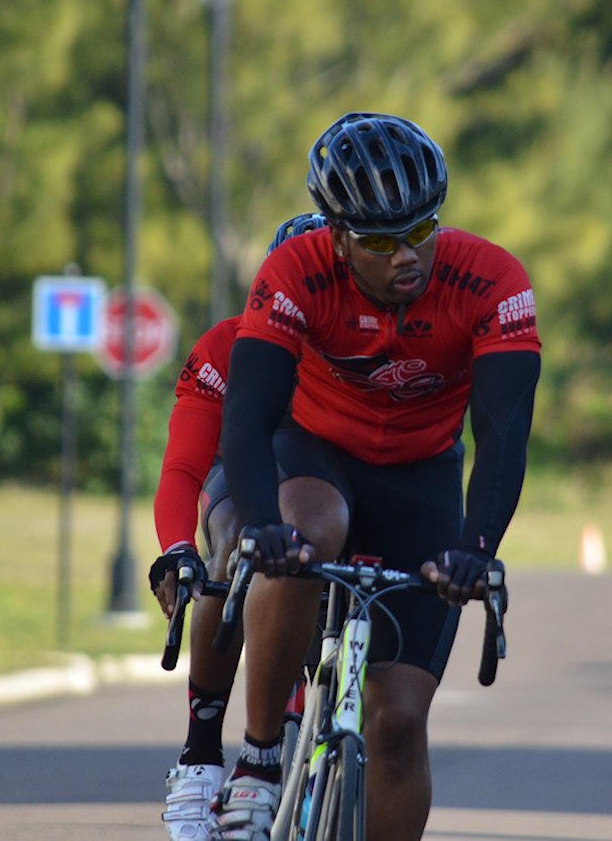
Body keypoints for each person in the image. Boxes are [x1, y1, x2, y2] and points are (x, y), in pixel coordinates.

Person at [211, 113, 541, 841]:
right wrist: (263, 526)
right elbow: (249, 409)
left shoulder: (490, 281)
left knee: (397, 721)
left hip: (422, 480)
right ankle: (260, 761)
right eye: (381, 241)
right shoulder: (297, 271)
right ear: (336, 235)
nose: (406, 257)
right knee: (306, 534)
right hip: (317, 453)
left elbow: (504, 434)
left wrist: (476, 549)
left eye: (421, 232)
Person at [146, 212, 329, 841]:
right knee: (231, 545)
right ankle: (199, 759)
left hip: (327, 477)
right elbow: (184, 467)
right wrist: (175, 549)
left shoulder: (366, 344)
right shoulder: (228, 344)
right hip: (243, 468)